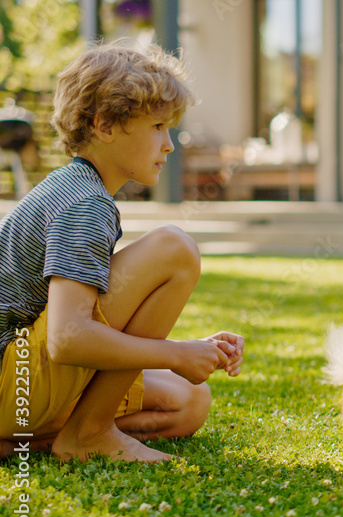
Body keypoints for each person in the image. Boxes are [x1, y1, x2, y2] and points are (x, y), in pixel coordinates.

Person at [0, 41, 245, 463]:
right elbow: (67, 338)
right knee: (176, 250)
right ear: (104, 125)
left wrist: (191, 349)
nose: (169, 145)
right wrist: (175, 353)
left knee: (190, 401)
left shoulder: (79, 189)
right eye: (157, 127)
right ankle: (89, 434)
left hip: (20, 387)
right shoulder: (84, 203)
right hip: (13, 379)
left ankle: (35, 442)